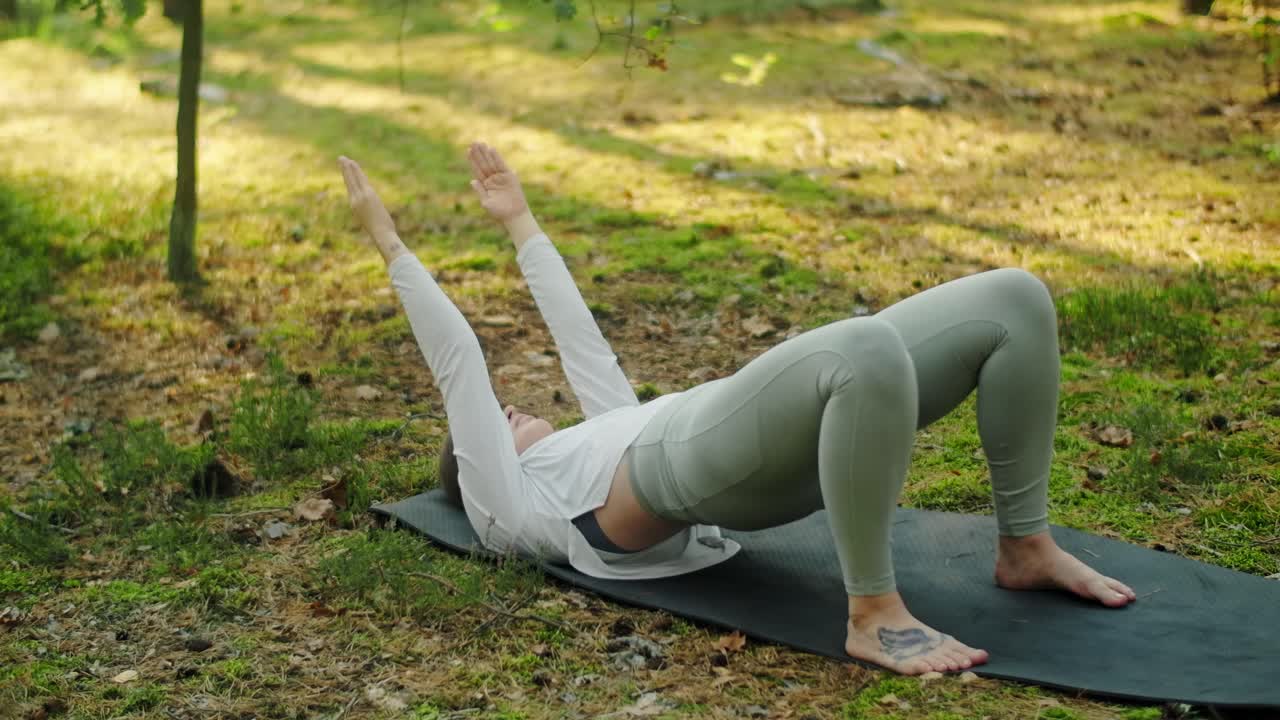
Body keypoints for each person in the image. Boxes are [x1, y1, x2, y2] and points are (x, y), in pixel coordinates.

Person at [336, 144, 1136, 677]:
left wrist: (520, 224)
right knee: (861, 349)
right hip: (688, 468)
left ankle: (1025, 545)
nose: (514, 409)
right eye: (504, 421)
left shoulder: (588, 438)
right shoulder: (508, 503)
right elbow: (459, 366)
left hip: (725, 440)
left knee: (1014, 300)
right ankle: (874, 613)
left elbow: (583, 346)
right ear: (487, 459)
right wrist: (390, 243)